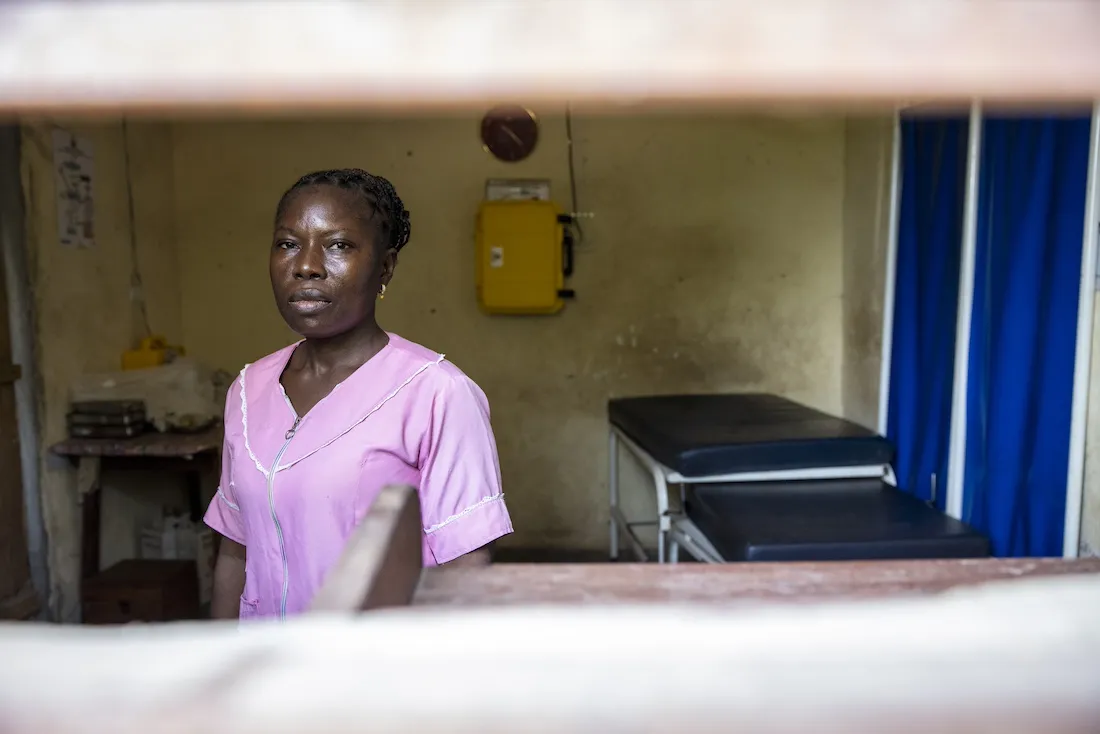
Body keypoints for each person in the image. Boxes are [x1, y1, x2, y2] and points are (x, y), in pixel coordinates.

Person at [205, 168, 513, 621]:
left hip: (377, 676)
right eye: (288, 243)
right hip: (269, 672)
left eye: (338, 246)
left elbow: (466, 568)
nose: (306, 265)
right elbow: (235, 550)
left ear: (384, 266)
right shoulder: (248, 392)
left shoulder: (436, 393)